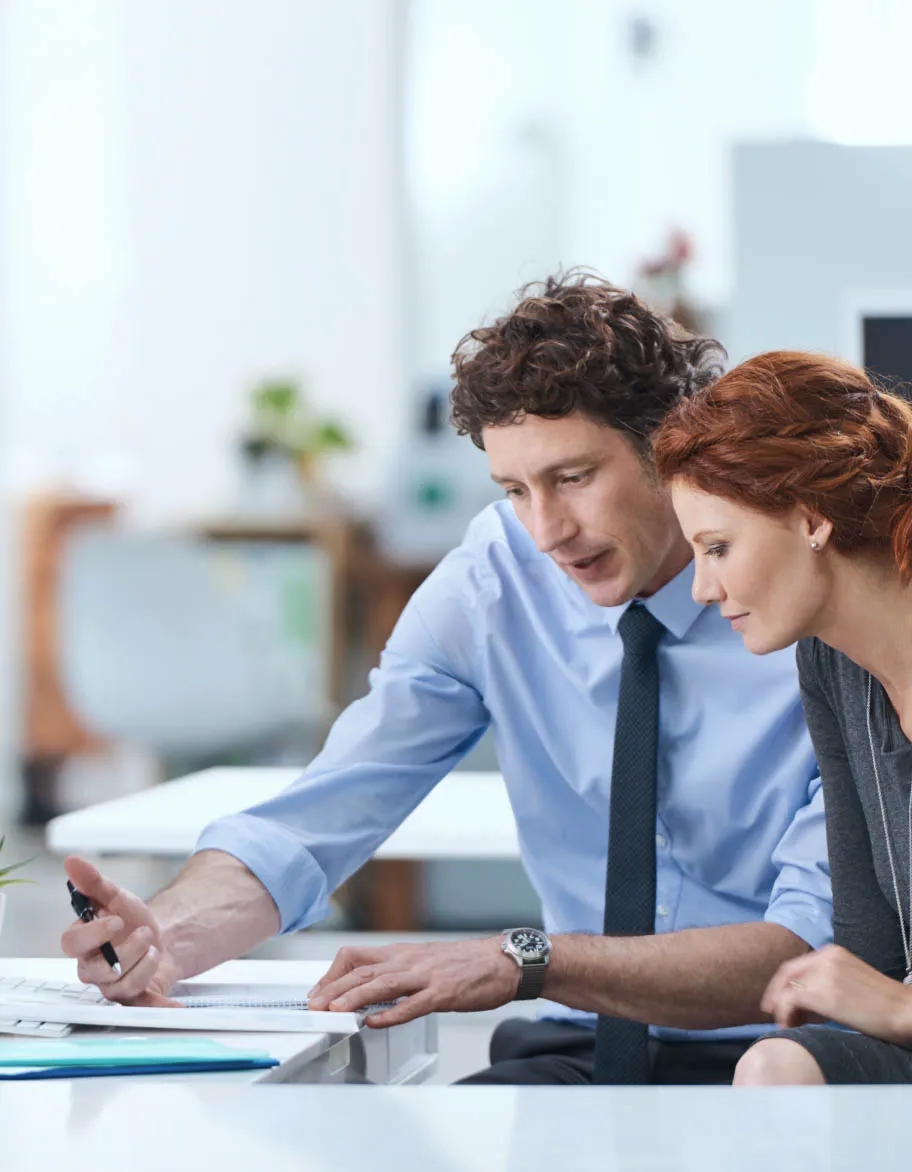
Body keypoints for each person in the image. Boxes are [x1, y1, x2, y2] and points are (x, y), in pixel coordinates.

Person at [61, 275, 831, 1086]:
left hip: (784, 1049)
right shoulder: (494, 577)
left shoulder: (803, 603)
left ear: (671, 448)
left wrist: (520, 960)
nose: (546, 532)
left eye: (573, 478)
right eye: (514, 490)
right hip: (580, 1044)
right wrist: (166, 935)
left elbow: (806, 949)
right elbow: (322, 812)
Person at [653, 349, 912, 1085]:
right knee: (776, 1069)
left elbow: (886, 995)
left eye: (718, 548)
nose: (703, 588)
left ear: (811, 520)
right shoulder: (831, 666)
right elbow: (869, 953)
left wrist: (898, 1010)